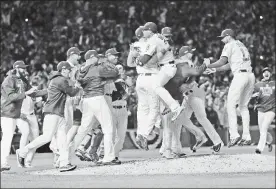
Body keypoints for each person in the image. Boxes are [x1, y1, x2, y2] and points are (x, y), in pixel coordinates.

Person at [16, 61, 81, 172]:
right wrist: (78, 85)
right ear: (64, 69)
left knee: (63, 140)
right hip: (52, 113)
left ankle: (64, 164)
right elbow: (72, 92)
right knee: (47, 137)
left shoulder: (55, 79)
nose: (70, 71)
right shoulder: (60, 79)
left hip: (58, 113)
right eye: (69, 70)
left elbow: (46, 92)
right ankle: (22, 151)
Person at [204, 29, 255, 147]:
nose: (221, 40)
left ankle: (234, 135)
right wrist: (215, 70)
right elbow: (230, 65)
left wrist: (208, 65)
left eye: (223, 37)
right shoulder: (241, 44)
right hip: (250, 76)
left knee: (230, 106)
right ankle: (246, 136)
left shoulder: (229, 44)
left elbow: (222, 61)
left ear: (228, 36)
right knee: (243, 107)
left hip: (240, 76)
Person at [72, 50, 120, 165]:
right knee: (108, 127)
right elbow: (115, 72)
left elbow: (79, 81)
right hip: (97, 98)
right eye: (97, 57)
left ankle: (65, 153)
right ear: (92, 57)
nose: (99, 59)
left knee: (83, 128)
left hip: (86, 100)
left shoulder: (80, 70)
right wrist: (106, 63)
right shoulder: (97, 68)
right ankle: (109, 157)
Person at [139, 22, 184, 121]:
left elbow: (146, 56)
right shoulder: (159, 36)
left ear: (150, 31)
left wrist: (140, 62)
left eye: (145, 30)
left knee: (156, 86)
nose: (143, 31)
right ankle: (162, 114)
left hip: (167, 67)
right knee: (155, 88)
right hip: (167, 66)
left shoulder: (153, 39)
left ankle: (175, 107)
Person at [127, 25, 160, 150]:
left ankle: (140, 134)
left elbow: (129, 63)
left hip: (140, 78)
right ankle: (146, 134)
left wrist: (132, 53)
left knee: (142, 109)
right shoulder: (151, 44)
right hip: (152, 77)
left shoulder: (134, 45)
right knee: (154, 108)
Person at [49, 47, 83, 167]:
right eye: (78, 55)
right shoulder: (63, 68)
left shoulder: (74, 68)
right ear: (71, 55)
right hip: (63, 100)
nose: (79, 57)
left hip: (70, 98)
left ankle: (59, 157)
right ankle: (56, 150)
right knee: (62, 129)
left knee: (67, 128)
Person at [1, 61, 36, 171]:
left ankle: (19, 155)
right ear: (16, 68)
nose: (24, 70)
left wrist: (48, 91)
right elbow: (11, 97)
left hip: (16, 113)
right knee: (7, 137)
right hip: (7, 113)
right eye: (22, 68)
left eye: (25, 68)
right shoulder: (9, 80)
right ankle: (3, 163)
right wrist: (26, 93)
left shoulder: (21, 80)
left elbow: (33, 93)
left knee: (25, 133)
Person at [16, 72, 47, 168]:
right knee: (25, 133)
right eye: (23, 76)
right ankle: (21, 156)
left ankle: (28, 161)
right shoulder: (17, 88)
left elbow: (38, 97)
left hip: (32, 115)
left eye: (26, 75)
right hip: (21, 115)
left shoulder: (30, 88)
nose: (25, 77)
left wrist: (48, 90)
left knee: (36, 139)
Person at [252, 67, 275, 154]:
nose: (266, 73)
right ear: (262, 74)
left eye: (268, 71)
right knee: (262, 130)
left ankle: (259, 149)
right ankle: (269, 142)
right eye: (264, 72)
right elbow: (251, 95)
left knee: (264, 127)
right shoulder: (257, 85)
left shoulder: (274, 84)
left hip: (271, 109)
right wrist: (253, 96)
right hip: (261, 109)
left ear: (271, 74)